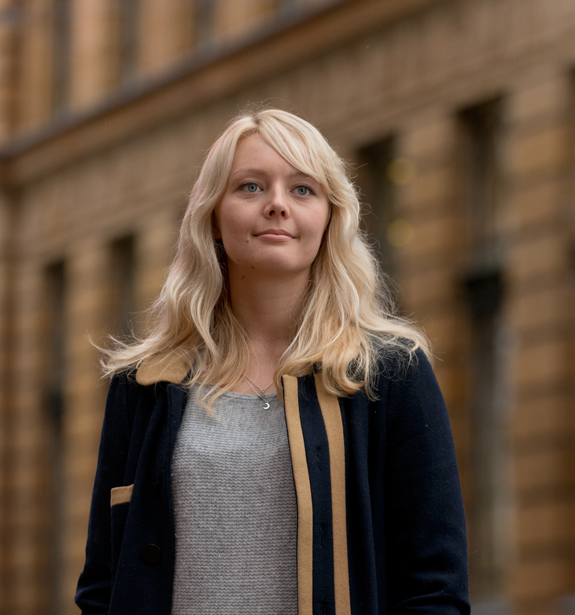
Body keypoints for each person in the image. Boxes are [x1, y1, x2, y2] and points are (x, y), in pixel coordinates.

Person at [75, 108, 470, 615]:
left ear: (330, 218)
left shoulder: (389, 373)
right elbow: (102, 587)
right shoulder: (146, 382)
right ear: (213, 217)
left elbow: (434, 589)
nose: (278, 205)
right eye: (251, 187)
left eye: (303, 189)